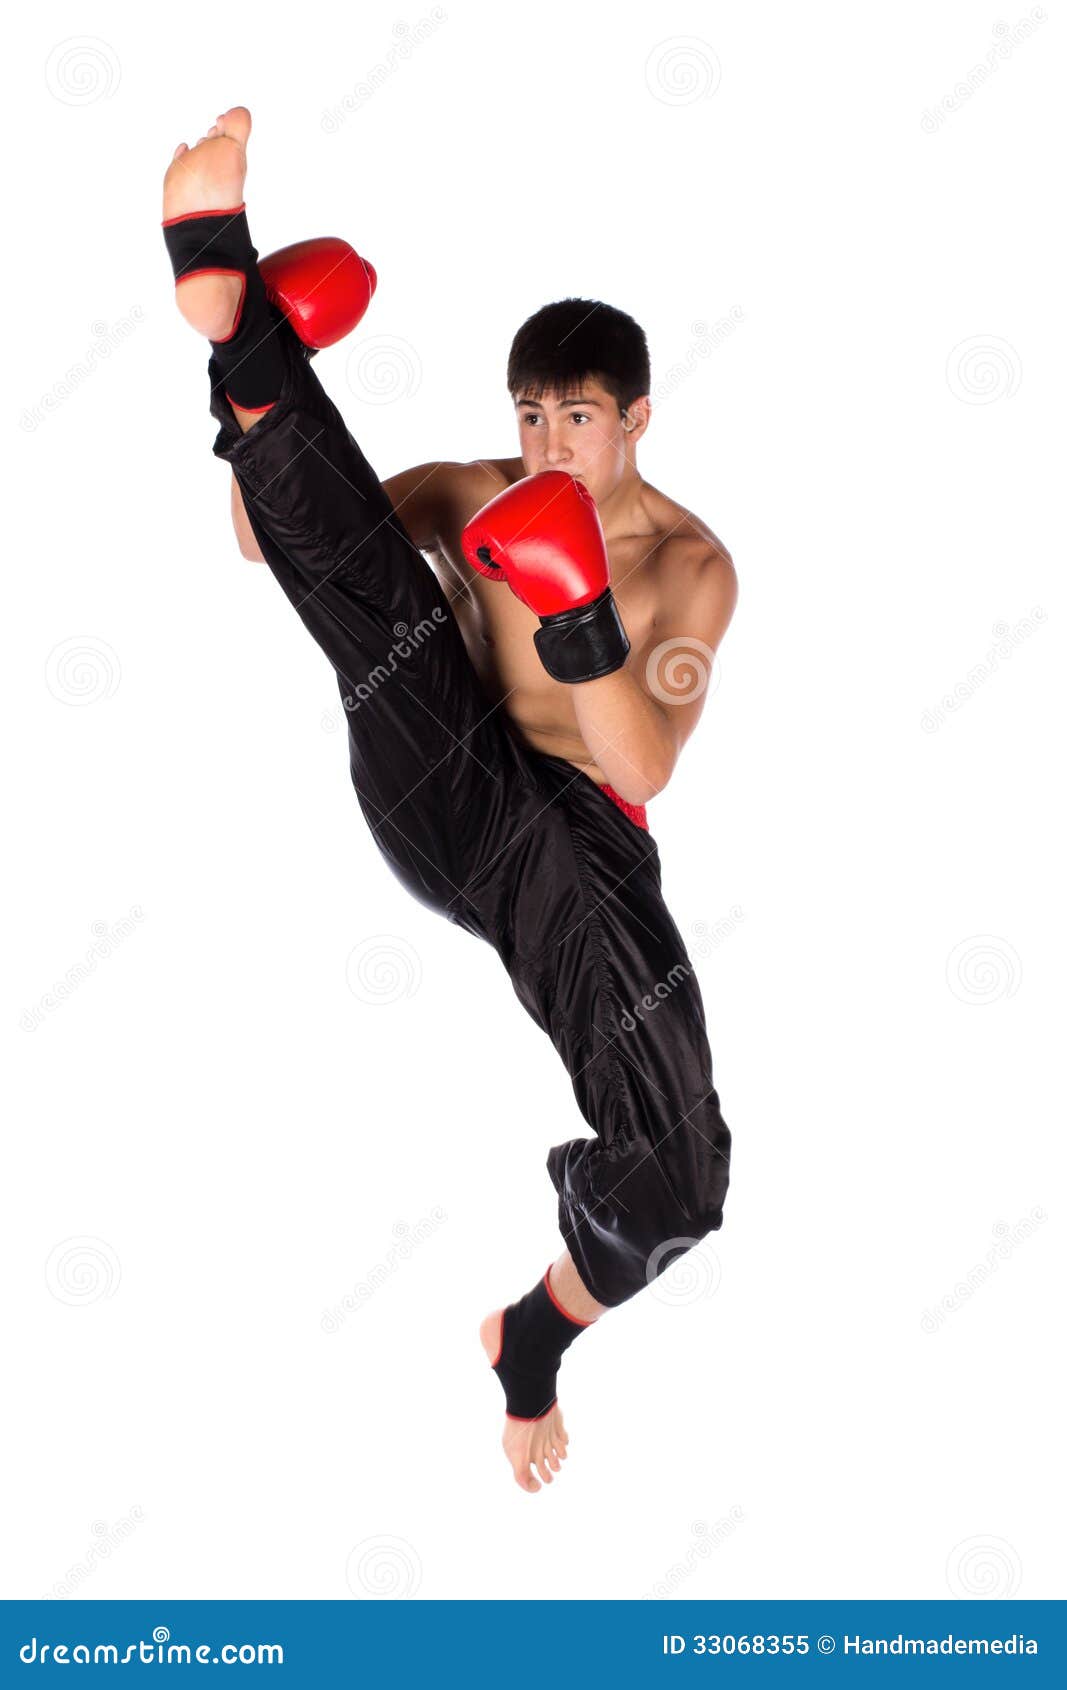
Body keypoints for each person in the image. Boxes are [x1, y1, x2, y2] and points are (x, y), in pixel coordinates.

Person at [163, 105, 737, 1495]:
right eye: (532, 415)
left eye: (579, 420)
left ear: (638, 417)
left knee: (682, 1174)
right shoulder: (482, 489)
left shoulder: (690, 564)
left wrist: (579, 604)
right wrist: (275, 376)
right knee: (381, 612)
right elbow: (286, 543)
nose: (547, 447)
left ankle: (527, 1342)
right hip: (438, 776)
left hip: (576, 851)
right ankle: (235, 325)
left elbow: (644, 763)